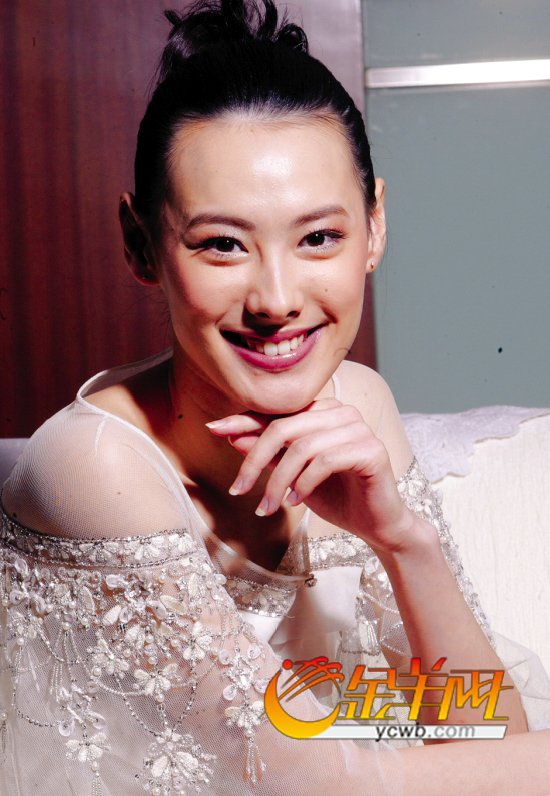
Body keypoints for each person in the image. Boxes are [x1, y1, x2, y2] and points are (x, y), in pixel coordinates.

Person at [1, 2, 549, 793]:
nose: (278, 299)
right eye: (223, 244)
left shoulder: (356, 399)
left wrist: (403, 540)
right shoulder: (94, 466)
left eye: (319, 237)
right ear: (141, 244)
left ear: (375, 227)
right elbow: (305, 779)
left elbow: (480, 729)